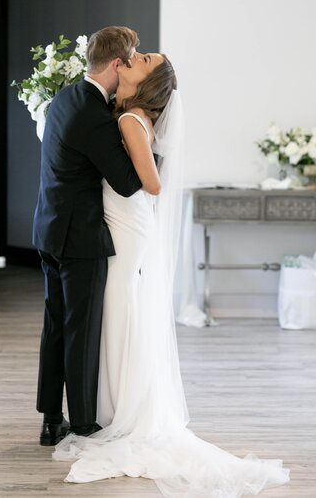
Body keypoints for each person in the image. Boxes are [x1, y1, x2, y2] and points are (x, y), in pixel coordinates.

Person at [53, 53, 290, 497]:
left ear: (149, 79)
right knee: (122, 306)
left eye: (144, 59)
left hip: (126, 222)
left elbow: (154, 183)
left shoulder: (128, 122)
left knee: (120, 304)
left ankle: (125, 410)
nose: (136, 57)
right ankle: (121, 404)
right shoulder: (126, 116)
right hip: (125, 222)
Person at [32, 26, 144, 446]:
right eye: (131, 59)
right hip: (79, 239)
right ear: (117, 63)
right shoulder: (95, 117)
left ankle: (49, 419)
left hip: (48, 229)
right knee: (81, 330)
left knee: (55, 326)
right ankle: (81, 423)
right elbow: (129, 183)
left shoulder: (63, 99)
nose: (133, 65)